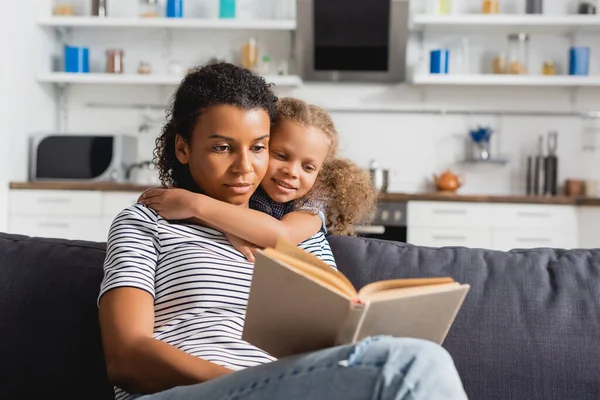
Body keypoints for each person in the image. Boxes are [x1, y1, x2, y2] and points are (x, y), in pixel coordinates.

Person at [98, 62, 468, 400]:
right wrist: (247, 384)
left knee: (418, 361)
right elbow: (126, 357)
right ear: (182, 147)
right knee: (414, 364)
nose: (244, 167)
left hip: (292, 388)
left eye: (258, 147)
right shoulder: (146, 223)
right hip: (203, 391)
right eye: (222, 148)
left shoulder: (295, 233)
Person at [138, 97, 376, 263]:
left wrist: (195, 206)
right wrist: (228, 228)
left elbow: (282, 235)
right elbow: (167, 202)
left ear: (320, 172)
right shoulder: (241, 186)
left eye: (308, 166)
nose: (292, 172)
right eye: (281, 156)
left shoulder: (314, 201)